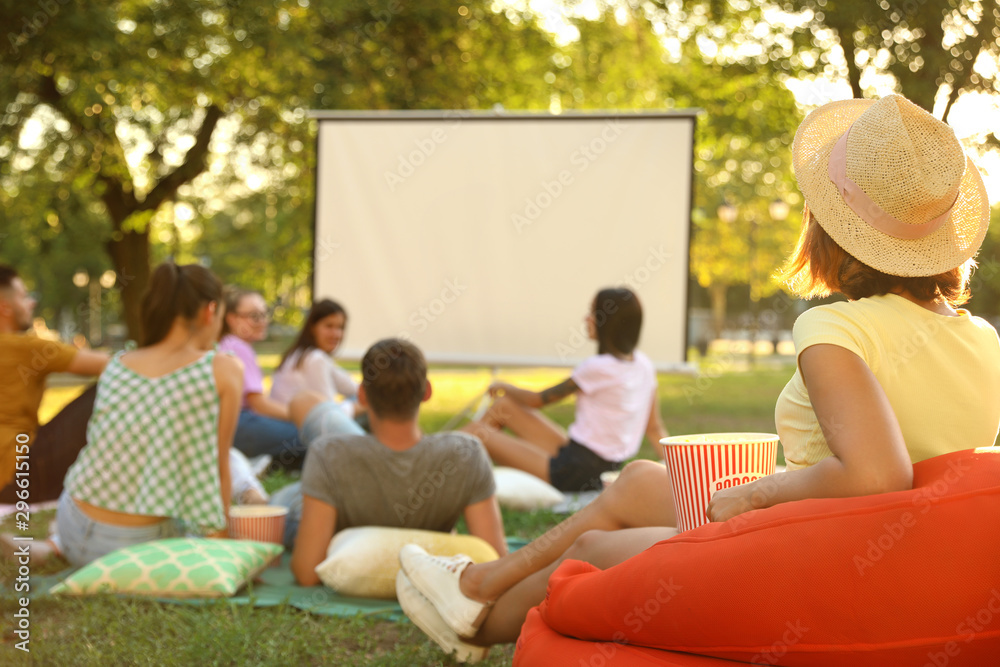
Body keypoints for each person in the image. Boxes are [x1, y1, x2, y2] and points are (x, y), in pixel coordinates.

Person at [396, 94, 1000, 658]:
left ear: (830, 228)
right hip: (907, 560)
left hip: (825, 554)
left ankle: (472, 633)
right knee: (636, 483)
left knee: (591, 553)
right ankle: (477, 583)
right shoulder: (983, 340)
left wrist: (754, 493)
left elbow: (877, 474)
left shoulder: (837, 331)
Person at [54, 262, 243, 567]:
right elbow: (219, 469)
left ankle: (52, 546)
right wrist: (220, 555)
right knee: (227, 472)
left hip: (73, 525)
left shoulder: (118, 363)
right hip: (137, 549)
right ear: (210, 311)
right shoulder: (223, 368)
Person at [285, 338, 507, 593]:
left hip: (303, 508)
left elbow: (306, 573)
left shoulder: (328, 454)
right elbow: (495, 560)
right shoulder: (467, 453)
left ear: (362, 396)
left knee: (306, 404)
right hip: (333, 480)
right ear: (427, 392)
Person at [462, 287, 668, 493]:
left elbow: (536, 400)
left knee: (475, 432)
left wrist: (504, 387)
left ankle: (438, 465)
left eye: (592, 313)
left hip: (573, 472)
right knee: (503, 407)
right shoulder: (644, 365)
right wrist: (674, 472)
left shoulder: (597, 367)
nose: (586, 319)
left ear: (609, 322)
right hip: (593, 463)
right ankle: (463, 472)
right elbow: (654, 428)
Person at [0, 265, 108, 504]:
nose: (31, 303)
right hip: (17, 479)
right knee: (108, 389)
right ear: (4, 307)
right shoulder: (25, 348)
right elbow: (114, 366)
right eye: (23, 296)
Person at [218, 288, 306, 471]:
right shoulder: (239, 347)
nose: (264, 321)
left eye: (265, 314)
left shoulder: (227, 344)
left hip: (231, 425)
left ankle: (263, 461)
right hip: (240, 424)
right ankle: (262, 462)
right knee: (307, 435)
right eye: (255, 316)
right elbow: (259, 404)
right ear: (232, 319)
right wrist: (302, 416)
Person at [269, 298, 366, 443]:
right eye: (329, 326)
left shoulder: (307, 354)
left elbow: (353, 389)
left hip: (291, 427)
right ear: (313, 327)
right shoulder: (314, 358)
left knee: (367, 401)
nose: (336, 334)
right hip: (293, 431)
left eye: (340, 327)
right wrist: (366, 404)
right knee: (373, 410)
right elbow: (330, 416)